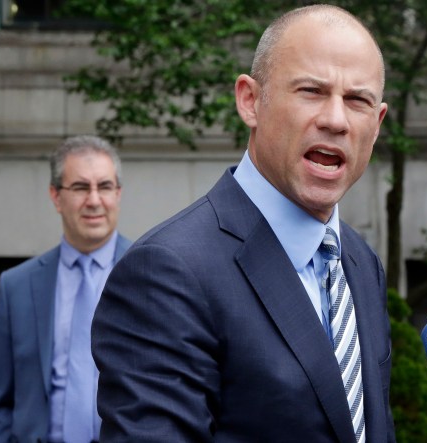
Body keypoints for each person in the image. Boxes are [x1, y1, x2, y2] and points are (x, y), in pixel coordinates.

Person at [91, 4, 394, 442]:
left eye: (357, 100)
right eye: (311, 90)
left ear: (377, 123)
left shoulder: (361, 263)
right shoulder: (166, 273)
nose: (335, 119)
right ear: (250, 100)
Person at [0, 135, 130, 442]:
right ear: (55, 196)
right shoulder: (16, 286)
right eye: (80, 187)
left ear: (118, 194)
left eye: (105, 186)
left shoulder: (152, 276)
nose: (94, 200)